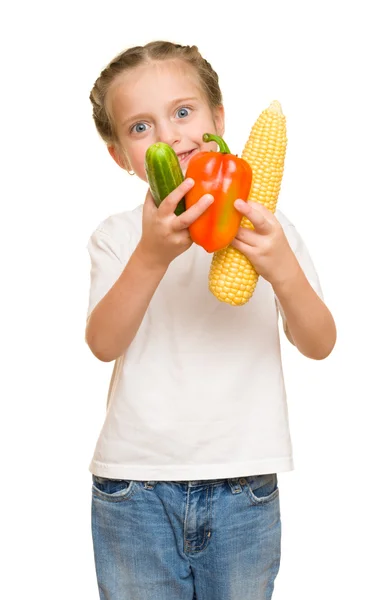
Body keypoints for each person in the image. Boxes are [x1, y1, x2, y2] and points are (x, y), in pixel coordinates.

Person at [85, 40, 336, 600]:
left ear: (217, 120)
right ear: (120, 155)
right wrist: (151, 256)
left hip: (245, 486)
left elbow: (319, 343)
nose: (171, 136)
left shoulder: (269, 228)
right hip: (134, 490)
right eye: (141, 127)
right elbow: (103, 342)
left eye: (182, 112)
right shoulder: (119, 235)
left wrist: (282, 270)